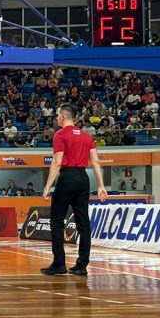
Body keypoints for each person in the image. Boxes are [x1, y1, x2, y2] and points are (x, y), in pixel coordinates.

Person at [40, 104, 108, 276]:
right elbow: (96, 162)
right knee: (83, 224)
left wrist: (48, 185)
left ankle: (59, 264)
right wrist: (101, 186)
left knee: (56, 221)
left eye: (57, 116)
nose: (56, 119)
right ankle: (82, 265)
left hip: (67, 178)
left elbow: (56, 162)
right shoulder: (86, 136)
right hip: (83, 179)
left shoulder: (60, 134)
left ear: (63, 117)